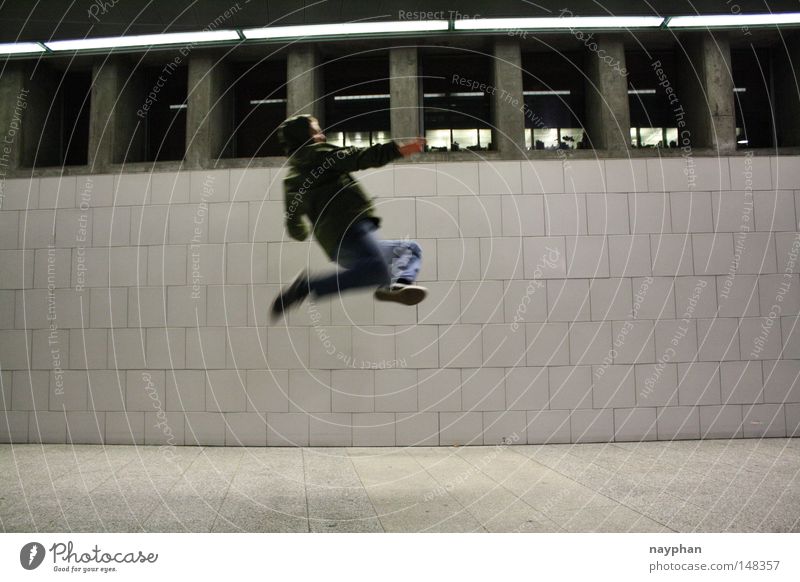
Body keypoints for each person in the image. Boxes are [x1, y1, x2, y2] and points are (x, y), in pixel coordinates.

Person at [270, 115, 428, 321]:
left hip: (336, 246)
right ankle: (305, 287)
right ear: (305, 137)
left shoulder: (291, 179)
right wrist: (400, 149)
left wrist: (302, 230)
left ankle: (397, 285)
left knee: (409, 250)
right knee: (378, 269)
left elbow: (293, 225)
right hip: (349, 227)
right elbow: (357, 157)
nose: (322, 136)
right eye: (317, 131)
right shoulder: (317, 154)